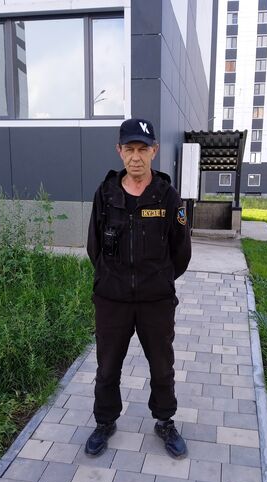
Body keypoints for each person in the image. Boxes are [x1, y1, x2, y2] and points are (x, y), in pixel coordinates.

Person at [85, 118, 192, 458]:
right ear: (119, 151)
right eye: (129, 149)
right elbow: (93, 246)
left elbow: (181, 251)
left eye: (142, 149)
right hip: (112, 300)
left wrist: (158, 281)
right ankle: (105, 422)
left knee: (161, 366)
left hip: (155, 301)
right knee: (107, 367)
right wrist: (111, 280)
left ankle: (165, 421)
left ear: (154, 151)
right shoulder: (105, 194)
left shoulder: (167, 196)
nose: (136, 157)